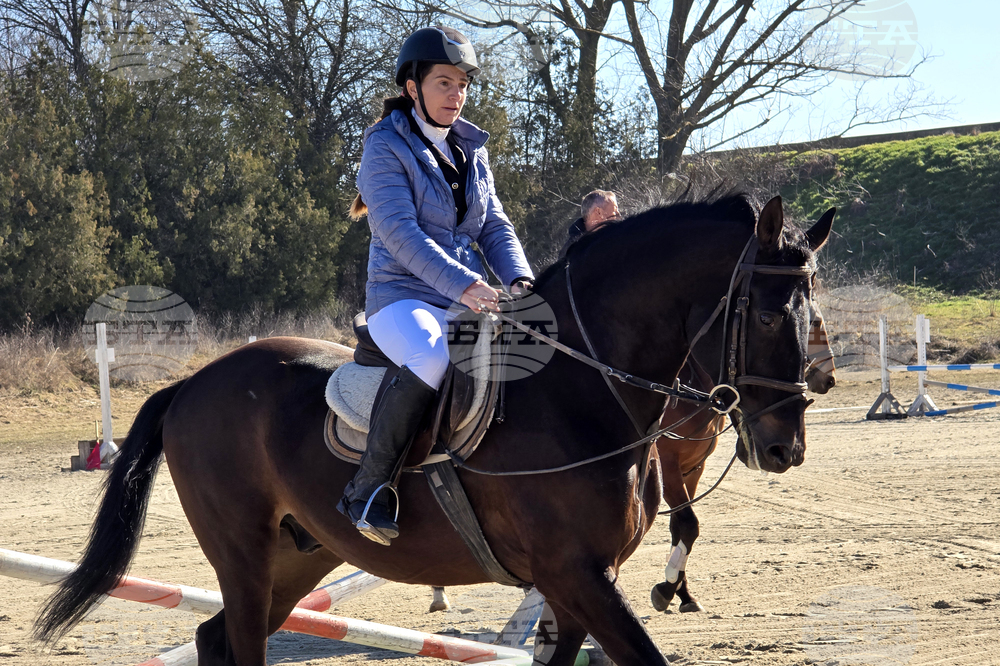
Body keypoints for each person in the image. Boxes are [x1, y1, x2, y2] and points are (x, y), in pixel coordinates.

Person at [341, 26, 534, 546]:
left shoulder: (472, 148)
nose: (457, 94)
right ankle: (367, 490)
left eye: (463, 84)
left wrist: (520, 279)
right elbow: (400, 236)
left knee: (537, 345)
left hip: (463, 296)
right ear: (412, 87)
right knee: (430, 355)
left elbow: (494, 225)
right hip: (401, 299)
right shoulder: (384, 148)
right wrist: (469, 284)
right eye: (444, 83)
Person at [559, 189, 621, 257]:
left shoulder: (618, 241)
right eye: (615, 211)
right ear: (599, 212)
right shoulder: (572, 252)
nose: (619, 215)